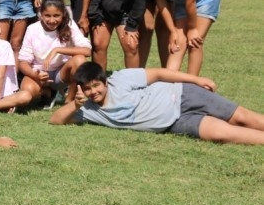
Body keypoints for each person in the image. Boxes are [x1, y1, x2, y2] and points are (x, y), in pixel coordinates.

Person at [50, 62, 264, 146]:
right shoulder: (88, 110)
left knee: (242, 117)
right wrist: (76, 105)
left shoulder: (122, 79)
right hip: (176, 122)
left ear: (106, 81)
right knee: (223, 134)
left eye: (96, 85)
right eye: (87, 88)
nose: (93, 92)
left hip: (182, 95)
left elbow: (159, 73)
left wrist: (196, 79)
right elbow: (55, 120)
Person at [18, 0, 91, 108]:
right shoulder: (32, 29)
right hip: (39, 72)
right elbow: (23, 62)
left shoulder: (69, 24)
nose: (52, 20)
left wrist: (57, 50)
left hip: (60, 73)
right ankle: (47, 92)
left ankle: (69, 101)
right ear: (41, 14)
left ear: (63, 14)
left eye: (56, 15)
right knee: (28, 91)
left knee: (80, 60)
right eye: (47, 15)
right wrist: (35, 74)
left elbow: (87, 51)